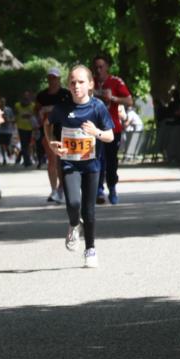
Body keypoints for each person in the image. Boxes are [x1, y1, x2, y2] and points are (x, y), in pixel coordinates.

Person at [46, 66, 115, 268]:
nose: (76, 86)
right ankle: (74, 224)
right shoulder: (62, 108)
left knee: (89, 209)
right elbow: (47, 124)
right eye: (73, 82)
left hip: (92, 165)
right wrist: (52, 142)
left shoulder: (97, 107)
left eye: (81, 82)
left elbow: (110, 136)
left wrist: (96, 132)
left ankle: (90, 249)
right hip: (69, 163)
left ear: (91, 84)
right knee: (74, 204)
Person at [91, 54, 133, 204]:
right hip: (95, 128)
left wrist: (113, 98)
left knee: (111, 161)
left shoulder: (115, 82)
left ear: (107, 67)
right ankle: (98, 190)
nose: (98, 70)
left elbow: (129, 100)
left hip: (112, 128)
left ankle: (112, 187)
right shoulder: (90, 83)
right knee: (97, 159)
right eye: (96, 67)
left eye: (101, 66)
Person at [35, 68, 70, 202]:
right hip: (48, 131)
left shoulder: (66, 94)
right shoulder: (42, 96)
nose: (52, 80)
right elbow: (36, 110)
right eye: (50, 77)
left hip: (64, 130)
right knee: (52, 160)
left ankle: (62, 188)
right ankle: (54, 190)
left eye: (54, 78)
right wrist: (38, 119)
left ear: (59, 79)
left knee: (62, 162)